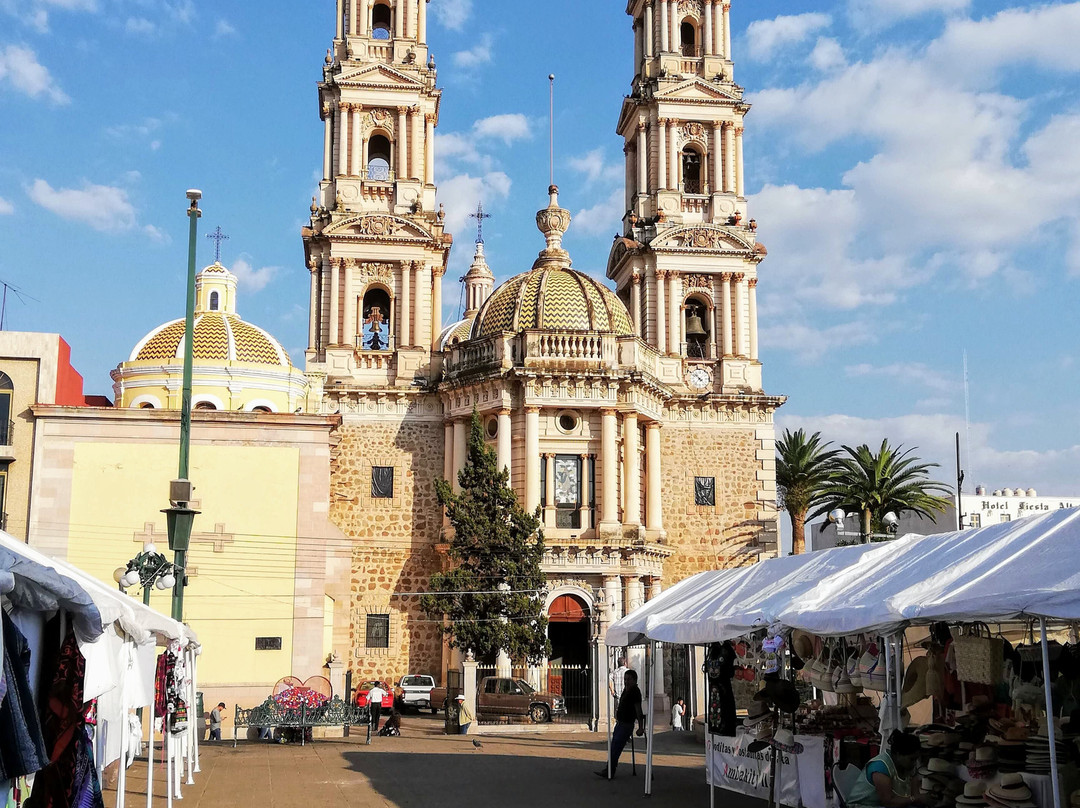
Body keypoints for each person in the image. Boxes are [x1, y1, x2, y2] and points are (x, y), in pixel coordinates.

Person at [846, 731, 926, 808]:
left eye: (916, 759)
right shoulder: (880, 767)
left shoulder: (909, 767)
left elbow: (915, 795)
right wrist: (915, 799)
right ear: (898, 754)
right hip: (863, 805)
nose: (915, 763)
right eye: (912, 759)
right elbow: (889, 803)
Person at [596, 670, 645, 779]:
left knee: (617, 746)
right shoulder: (626, 690)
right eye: (625, 679)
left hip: (627, 724)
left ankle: (610, 770)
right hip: (621, 722)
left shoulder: (635, 692)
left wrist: (641, 727)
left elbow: (638, 710)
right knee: (613, 746)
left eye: (628, 679)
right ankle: (609, 769)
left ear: (634, 680)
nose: (626, 681)